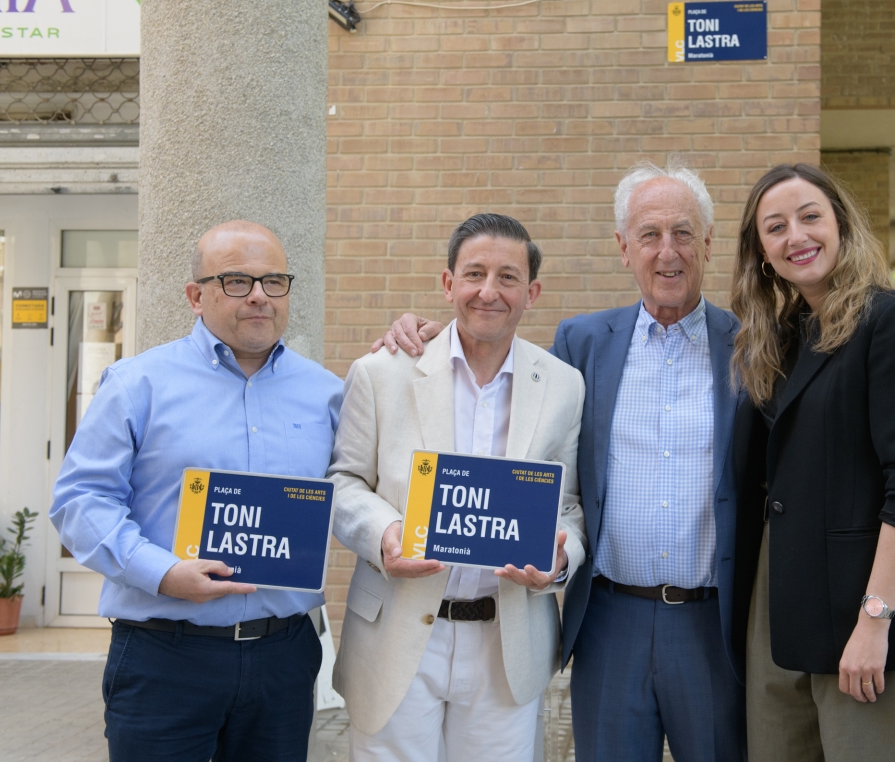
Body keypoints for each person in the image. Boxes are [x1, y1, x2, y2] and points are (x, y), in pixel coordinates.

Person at [379, 160, 748, 762]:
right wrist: (419, 334)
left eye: (683, 233)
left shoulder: (750, 345)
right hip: (609, 619)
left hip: (711, 624)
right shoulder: (581, 344)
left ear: (707, 242)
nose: (667, 251)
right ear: (623, 247)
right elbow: (508, 399)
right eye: (649, 235)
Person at [50, 221, 344, 761]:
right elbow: (80, 500)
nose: (259, 295)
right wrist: (161, 572)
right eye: (236, 280)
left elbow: (356, 490)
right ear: (195, 295)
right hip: (164, 655)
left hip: (283, 656)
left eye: (274, 281)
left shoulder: (327, 393)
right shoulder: (137, 383)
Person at [728, 164, 895, 761]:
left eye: (810, 216)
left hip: (874, 605)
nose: (797, 235)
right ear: (762, 252)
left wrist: (875, 621)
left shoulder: (894, 322)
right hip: (783, 606)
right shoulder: (780, 340)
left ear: (841, 225)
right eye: (776, 226)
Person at [329, 214, 586, 761]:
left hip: (506, 639)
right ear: (448, 284)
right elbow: (345, 482)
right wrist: (384, 533)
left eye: (508, 278)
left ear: (532, 292)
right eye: (474, 274)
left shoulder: (563, 384)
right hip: (398, 634)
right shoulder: (382, 372)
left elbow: (567, 506)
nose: (488, 292)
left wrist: (557, 562)